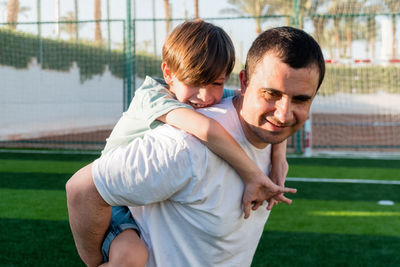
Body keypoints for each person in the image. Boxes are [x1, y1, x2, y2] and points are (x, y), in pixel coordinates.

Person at [66, 26, 325, 267]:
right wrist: (94, 261)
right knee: (128, 256)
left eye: (301, 99)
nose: (283, 114)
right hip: (117, 205)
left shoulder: (269, 130)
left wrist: (279, 158)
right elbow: (81, 190)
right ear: (245, 82)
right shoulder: (184, 142)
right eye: (271, 94)